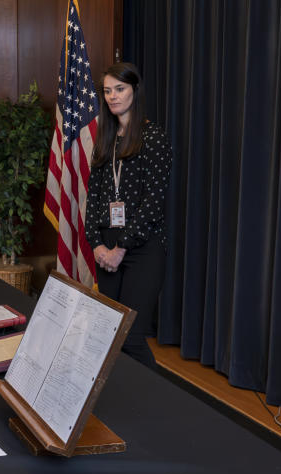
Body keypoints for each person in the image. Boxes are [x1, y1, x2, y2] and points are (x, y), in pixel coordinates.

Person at [84, 62, 172, 367]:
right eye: (107, 91)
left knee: (131, 337)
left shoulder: (153, 137)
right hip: (106, 250)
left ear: (135, 90)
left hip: (141, 248)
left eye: (119, 89)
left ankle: (160, 403)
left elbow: (154, 201)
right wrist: (97, 244)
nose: (112, 96)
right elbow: (93, 198)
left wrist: (121, 247)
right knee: (109, 335)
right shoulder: (105, 137)